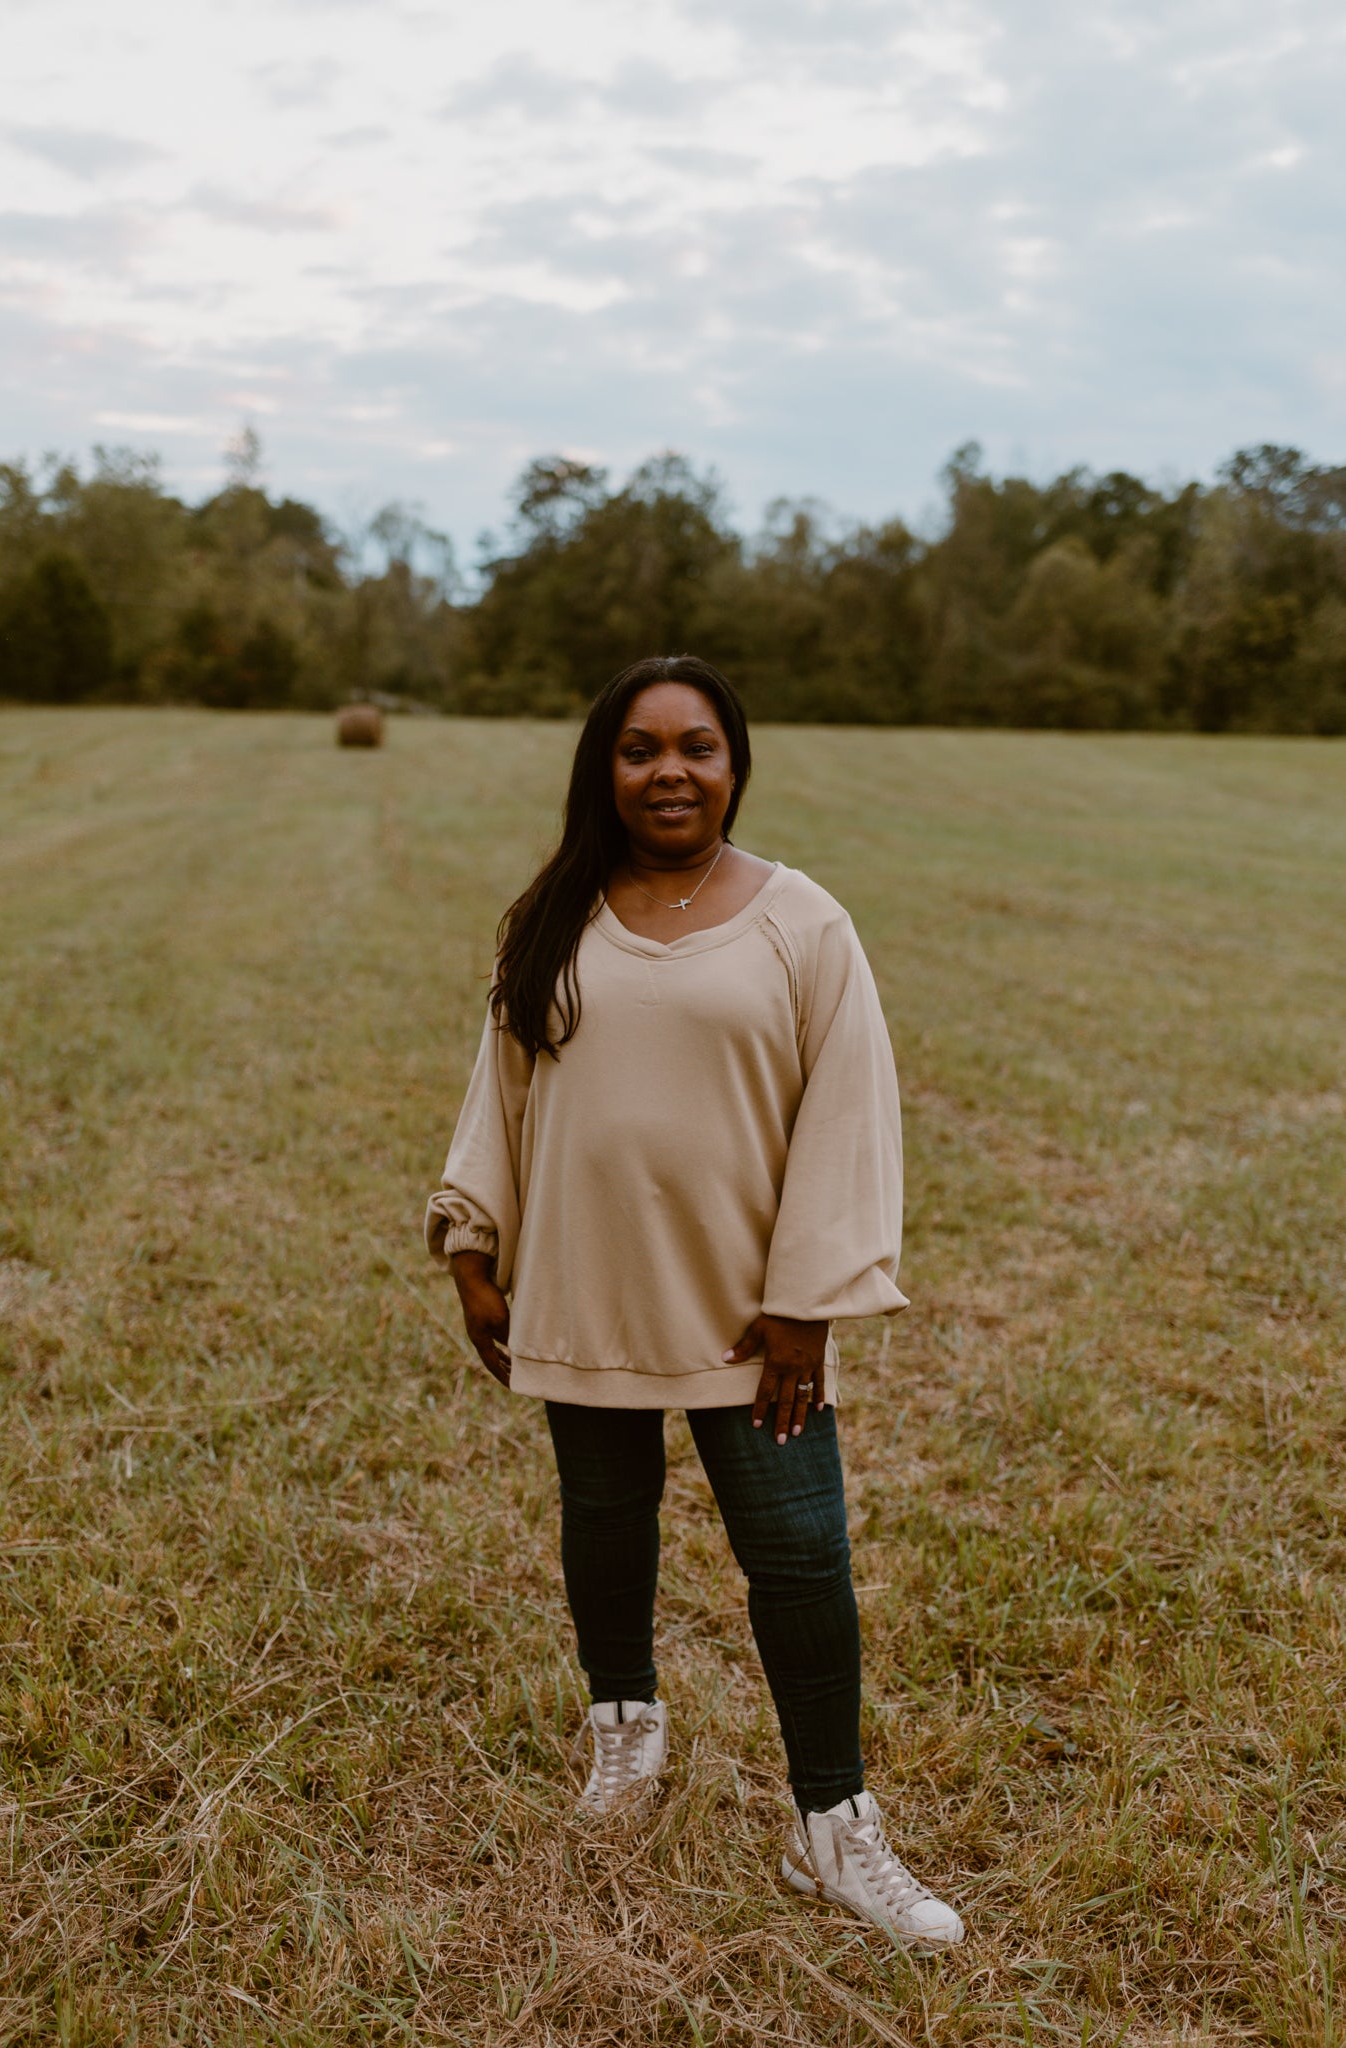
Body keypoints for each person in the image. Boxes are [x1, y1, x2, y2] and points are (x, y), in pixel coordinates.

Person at [425, 654, 963, 1951]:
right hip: (582, 1285)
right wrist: (471, 1242)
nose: (670, 770)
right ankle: (626, 1728)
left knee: (799, 1554)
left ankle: (833, 1831)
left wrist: (806, 1306)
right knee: (606, 1525)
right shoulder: (553, 916)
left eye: (698, 747)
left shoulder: (803, 922)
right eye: (640, 749)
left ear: (735, 765)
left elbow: (850, 1111)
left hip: (748, 1316)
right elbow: (502, 1091)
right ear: (602, 771)